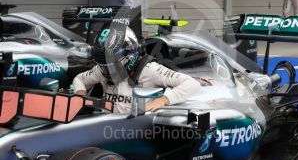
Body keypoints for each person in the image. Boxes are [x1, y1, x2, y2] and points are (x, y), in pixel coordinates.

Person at [72, 27, 201, 114]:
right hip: (106, 126)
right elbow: (79, 79)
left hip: (135, 131)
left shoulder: (150, 70)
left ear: (129, 55)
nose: (105, 69)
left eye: (110, 65)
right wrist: (80, 93)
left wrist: (161, 100)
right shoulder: (100, 70)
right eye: (102, 65)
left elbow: (192, 84)